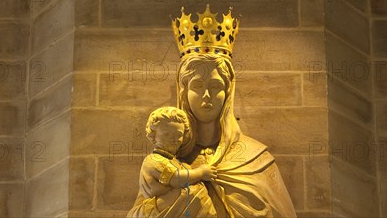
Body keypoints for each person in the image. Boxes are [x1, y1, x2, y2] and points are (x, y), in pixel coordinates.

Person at [175, 54, 297, 218]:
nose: (206, 94)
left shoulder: (257, 160)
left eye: (215, 86)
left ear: (228, 93)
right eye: (197, 85)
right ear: (184, 93)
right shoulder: (167, 161)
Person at [127, 106, 218, 218]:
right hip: (151, 212)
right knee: (192, 192)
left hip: (168, 208)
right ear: (153, 136)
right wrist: (201, 172)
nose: (173, 139)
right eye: (166, 134)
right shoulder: (153, 160)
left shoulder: (177, 163)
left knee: (197, 189)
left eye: (179, 135)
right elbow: (176, 179)